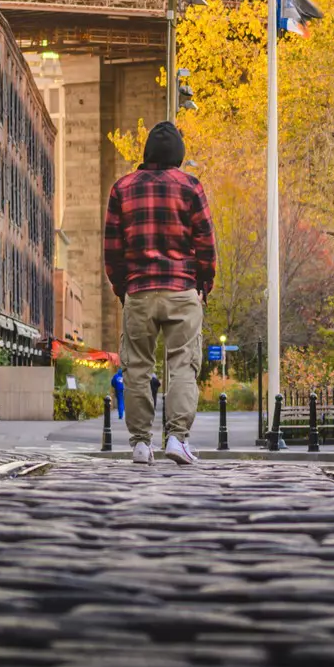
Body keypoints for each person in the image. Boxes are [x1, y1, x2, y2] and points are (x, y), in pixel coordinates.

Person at [103, 120, 215, 465]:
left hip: (139, 290)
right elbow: (206, 245)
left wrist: (124, 288)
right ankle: (177, 439)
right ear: (178, 155)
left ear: (147, 153)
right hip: (182, 289)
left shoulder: (122, 189)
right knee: (182, 365)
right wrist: (203, 286)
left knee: (137, 367)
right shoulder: (191, 187)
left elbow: (112, 248)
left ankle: (139, 443)